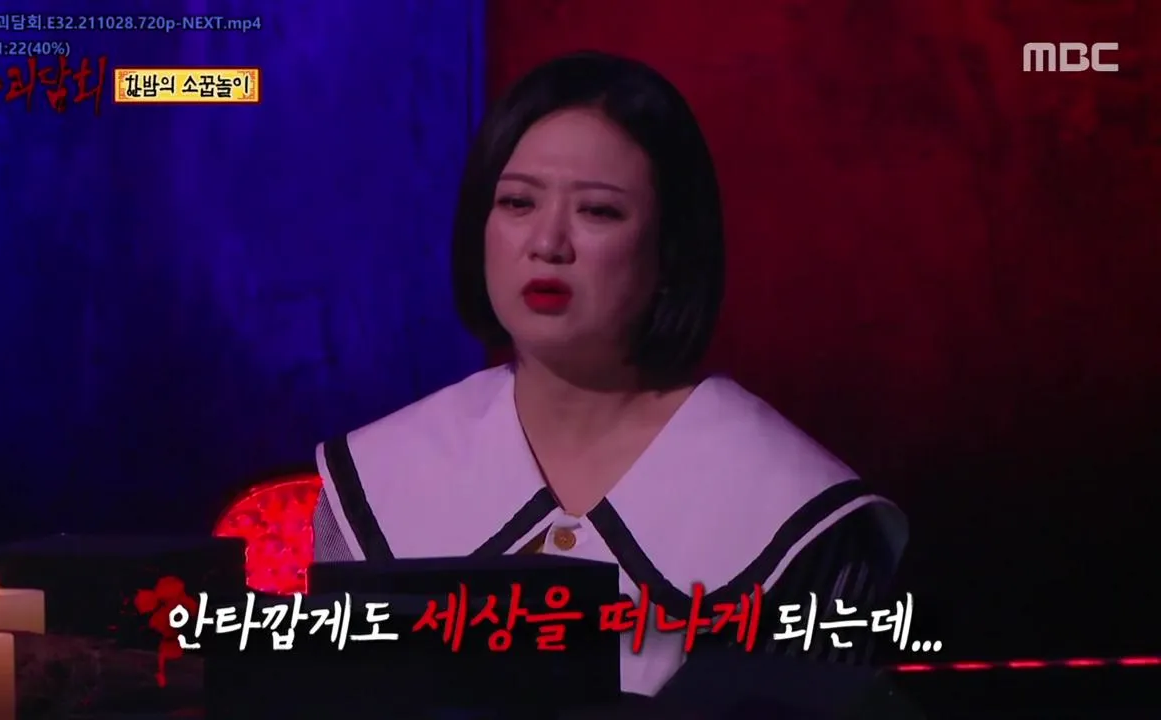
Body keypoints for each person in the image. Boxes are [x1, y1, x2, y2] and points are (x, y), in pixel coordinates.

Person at [309, 51, 908, 701]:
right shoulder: (375, 482)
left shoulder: (797, 511)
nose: (547, 243)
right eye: (517, 202)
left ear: (671, 251)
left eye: (598, 211)